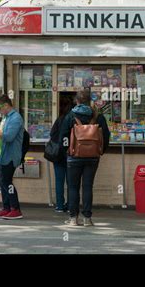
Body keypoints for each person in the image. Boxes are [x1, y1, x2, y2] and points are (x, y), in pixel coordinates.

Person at [59, 89, 110, 227]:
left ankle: (73, 219)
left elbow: (63, 137)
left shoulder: (70, 116)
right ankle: (87, 218)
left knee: (73, 187)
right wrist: (100, 151)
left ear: (77, 101)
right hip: (93, 157)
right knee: (88, 186)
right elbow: (105, 136)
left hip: (74, 157)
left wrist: (67, 151)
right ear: (89, 101)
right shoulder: (98, 117)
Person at [0, 94, 24, 220]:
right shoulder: (5, 118)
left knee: (7, 182)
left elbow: (9, 136)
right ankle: (6, 208)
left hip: (10, 156)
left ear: (6, 105)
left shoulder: (15, 118)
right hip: (2, 154)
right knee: (2, 182)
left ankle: (15, 208)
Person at [49, 95, 73, 212]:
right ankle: (70, 205)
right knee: (71, 182)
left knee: (59, 181)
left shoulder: (59, 119)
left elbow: (52, 135)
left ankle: (59, 205)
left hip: (58, 155)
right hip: (71, 154)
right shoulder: (73, 120)